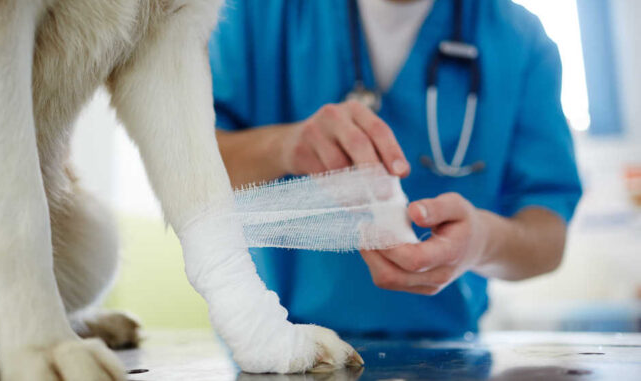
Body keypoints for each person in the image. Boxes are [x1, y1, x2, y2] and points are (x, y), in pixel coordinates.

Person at [209, 0, 582, 337]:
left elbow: (547, 234)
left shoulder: (520, 39)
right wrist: (285, 146)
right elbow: (187, 172)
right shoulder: (249, 15)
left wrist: (483, 243)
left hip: (444, 356)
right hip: (282, 351)